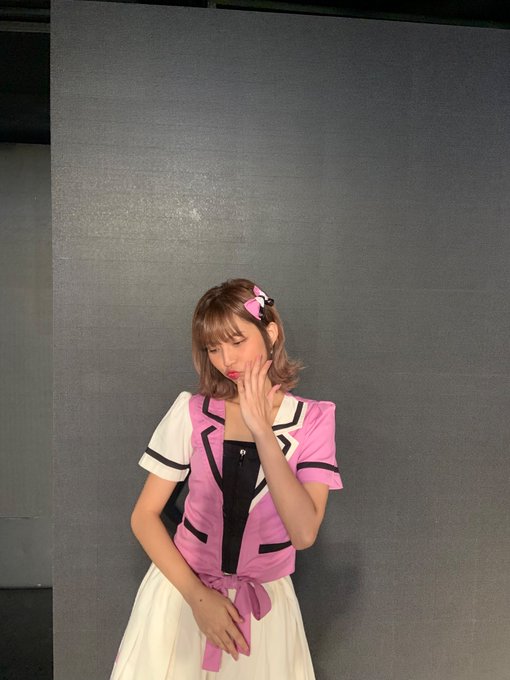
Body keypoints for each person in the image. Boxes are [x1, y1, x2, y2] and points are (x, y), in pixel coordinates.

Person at [110, 278, 343, 680]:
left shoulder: (313, 419)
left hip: (263, 612)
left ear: (270, 333)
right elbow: (143, 516)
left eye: (236, 341)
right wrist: (198, 599)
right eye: (213, 348)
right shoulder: (191, 411)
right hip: (181, 600)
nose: (225, 359)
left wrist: (261, 430)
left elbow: (304, 532)